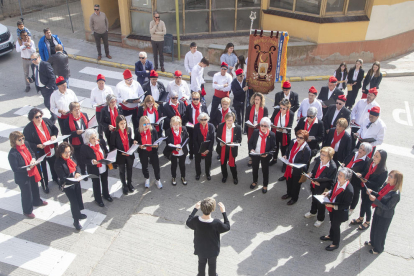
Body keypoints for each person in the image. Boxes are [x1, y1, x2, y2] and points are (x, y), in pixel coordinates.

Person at [8, 131, 47, 219]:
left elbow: (32, 153)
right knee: (27, 193)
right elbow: (15, 169)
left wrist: (33, 159)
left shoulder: (26, 144)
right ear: (14, 141)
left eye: (23, 138)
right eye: (19, 140)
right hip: (23, 176)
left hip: (32, 171)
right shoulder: (12, 154)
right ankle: (27, 211)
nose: (22, 141)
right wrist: (28, 168)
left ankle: (37, 201)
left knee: (35, 187)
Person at [186, 198, 230, 276]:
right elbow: (227, 227)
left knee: (201, 263)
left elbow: (188, 222)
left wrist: (195, 209)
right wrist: (224, 212)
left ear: (201, 208)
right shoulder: (216, 223)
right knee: (212, 265)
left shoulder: (196, 220)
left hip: (200, 248)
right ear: (212, 209)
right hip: (212, 250)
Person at [23, 108, 59, 194]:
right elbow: (26, 142)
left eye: (40, 116)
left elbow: (55, 129)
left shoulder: (46, 121)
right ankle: (44, 184)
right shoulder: (28, 129)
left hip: (51, 148)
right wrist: (36, 145)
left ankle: (55, 178)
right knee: (43, 169)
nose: (39, 118)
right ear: (32, 118)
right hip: (40, 152)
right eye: (36, 117)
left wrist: (53, 136)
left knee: (53, 164)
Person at [366, 170, 402, 254]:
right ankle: (373, 242)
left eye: (391, 176)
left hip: (385, 215)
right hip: (378, 211)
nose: (388, 177)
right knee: (374, 228)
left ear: (396, 180)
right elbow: (380, 195)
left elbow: (387, 207)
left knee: (380, 232)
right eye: (389, 175)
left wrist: (375, 201)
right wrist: (373, 192)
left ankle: (378, 248)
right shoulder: (387, 185)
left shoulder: (396, 194)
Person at [351, 150, 388, 231]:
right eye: (374, 155)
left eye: (377, 156)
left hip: (372, 190)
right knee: (363, 202)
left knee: (367, 206)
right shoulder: (371, 162)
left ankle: (367, 222)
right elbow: (366, 171)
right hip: (364, 186)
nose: (374, 157)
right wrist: (361, 175)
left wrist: (367, 182)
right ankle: (360, 218)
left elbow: (378, 184)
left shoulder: (383, 171)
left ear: (382, 159)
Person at [54, 142, 87, 230]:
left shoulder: (71, 157)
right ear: (60, 153)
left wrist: (77, 172)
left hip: (76, 182)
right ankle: (76, 221)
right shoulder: (58, 163)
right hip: (68, 185)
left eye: (69, 151)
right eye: (66, 152)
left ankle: (79, 214)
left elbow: (77, 166)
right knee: (74, 203)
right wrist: (73, 177)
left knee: (79, 198)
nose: (68, 154)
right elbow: (62, 177)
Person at [320, 167, 354, 251]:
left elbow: (346, 205)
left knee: (336, 226)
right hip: (333, 208)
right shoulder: (338, 182)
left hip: (339, 211)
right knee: (332, 222)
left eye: (341, 175)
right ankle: (331, 236)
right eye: (339, 174)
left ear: (346, 178)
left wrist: (333, 206)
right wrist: (328, 192)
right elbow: (334, 189)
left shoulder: (349, 190)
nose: (338, 176)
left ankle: (335, 243)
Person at [305, 147, 337, 227]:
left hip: (322, 188)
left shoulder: (332, 167)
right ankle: (313, 212)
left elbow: (331, 182)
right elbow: (314, 170)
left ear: (330, 157)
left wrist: (320, 184)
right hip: (314, 185)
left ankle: (320, 219)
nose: (321, 156)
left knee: (321, 204)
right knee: (313, 199)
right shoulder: (319, 160)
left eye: (324, 155)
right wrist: (311, 174)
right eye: (321, 154)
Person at [81, 129, 112, 207]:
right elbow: (83, 160)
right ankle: (98, 199)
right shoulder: (84, 147)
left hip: (103, 166)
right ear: (88, 139)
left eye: (95, 137)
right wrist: (92, 161)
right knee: (96, 184)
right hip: (93, 169)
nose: (95, 139)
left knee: (105, 181)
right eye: (92, 138)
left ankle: (106, 195)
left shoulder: (101, 142)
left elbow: (106, 151)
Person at [280, 130, 311, 204]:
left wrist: (294, 165)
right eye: (297, 137)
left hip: (297, 170)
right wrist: (285, 155)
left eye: (301, 138)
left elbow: (304, 162)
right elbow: (288, 150)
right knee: (288, 182)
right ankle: (289, 194)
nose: (298, 139)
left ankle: (294, 198)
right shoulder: (293, 141)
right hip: (289, 167)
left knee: (296, 185)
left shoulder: (306, 149)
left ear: (305, 139)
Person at [110, 115, 138, 195]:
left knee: (130, 169)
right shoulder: (114, 133)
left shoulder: (129, 130)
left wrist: (133, 141)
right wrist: (119, 152)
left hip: (129, 153)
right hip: (120, 155)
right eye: (121, 123)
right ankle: (124, 185)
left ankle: (129, 183)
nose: (123, 125)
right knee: (122, 171)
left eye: (125, 123)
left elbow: (130, 140)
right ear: (118, 124)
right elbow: (112, 146)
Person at [342, 142, 372, 216]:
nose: (360, 150)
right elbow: (347, 158)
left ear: (367, 152)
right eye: (360, 148)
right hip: (346, 176)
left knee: (355, 194)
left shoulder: (367, 161)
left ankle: (352, 208)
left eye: (363, 150)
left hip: (355, 180)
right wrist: (344, 164)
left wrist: (361, 174)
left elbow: (366, 171)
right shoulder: (354, 153)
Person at [248, 117, 276, 194]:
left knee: (265, 170)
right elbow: (250, 143)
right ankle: (255, 181)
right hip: (256, 154)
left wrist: (267, 154)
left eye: (265, 126)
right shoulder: (255, 132)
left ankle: (265, 185)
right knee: (255, 169)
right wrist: (251, 149)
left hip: (265, 156)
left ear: (268, 127)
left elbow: (274, 148)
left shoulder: (271, 135)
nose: (263, 127)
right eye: (261, 125)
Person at [29, 53, 57, 124]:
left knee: (47, 103)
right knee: (48, 103)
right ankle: (54, 115)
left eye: (35, 59)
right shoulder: (33, 66)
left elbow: (52, 77)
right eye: (32, 59)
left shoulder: (45, 65)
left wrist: (48, 86)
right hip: (41, 88)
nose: (34, 61)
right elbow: (35, 75)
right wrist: (31, 79)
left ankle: (54, 117)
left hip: (47, 88)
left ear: (39, 58)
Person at [135, 116, 162, 189]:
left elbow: (157, 141)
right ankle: (147, 178)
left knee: (156, 166)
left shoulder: (153, 130)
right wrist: (139, 145)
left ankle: (158, 179)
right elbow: (136, 141)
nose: (146, 126)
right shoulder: (138, 131)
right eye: (144, 124)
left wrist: (156, 145)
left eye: (148, 124)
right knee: (144, 166)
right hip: (143, 151)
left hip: (152, 151)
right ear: (141, 125)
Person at [63, 102, 89, 177]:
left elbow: (88, 125)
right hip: (76, 143)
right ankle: (83, 172)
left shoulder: (84, 115)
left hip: (85, 140)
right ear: (71, 111)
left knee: (87, 156)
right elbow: (66, 134)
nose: (78, 111)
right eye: (75, 110)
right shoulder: (67, 121)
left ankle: (87, 169)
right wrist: (75, 133)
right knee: (80, 159)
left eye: (78, 109)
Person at [216, 112, 242, 184]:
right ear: (225, 119)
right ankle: (224, 176)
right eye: (228, 120)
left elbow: (239, 139)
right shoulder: (221, 126)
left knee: (232, 165)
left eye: (231, 120)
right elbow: (217, 137)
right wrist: (220, 143)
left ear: (233, 120)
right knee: (223, 163)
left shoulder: (238, 127)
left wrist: (234, 143)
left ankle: (235, 177)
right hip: (223, 148)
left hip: (232, 149)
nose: (229, 122)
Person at [163, 116, 189, 185]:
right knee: (173, 166)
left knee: (182, 165)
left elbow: (186, 139)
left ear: (180, 124)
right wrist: (175, 148)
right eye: (174, 125)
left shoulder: (184, 129)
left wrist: (180, 145)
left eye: (177, 125)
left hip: (182, 151)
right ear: (171, 125)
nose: (176, 127)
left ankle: (183, 177)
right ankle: (173, 177)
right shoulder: (168, 131)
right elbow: (168, 143)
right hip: (173, 152)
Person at [270, 99, 294, 168]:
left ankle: (284, 163)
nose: (281, 110)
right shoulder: (277, 111)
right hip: (275, 132)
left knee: (284, 149)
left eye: (284, 108)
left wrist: (283, 129)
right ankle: (274, 159)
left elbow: (290, 126)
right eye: (280, 107)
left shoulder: (291, 114)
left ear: (287, 108)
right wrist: (272, 124)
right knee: (275, 147)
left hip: (284, 134)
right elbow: (271, 119)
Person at [245, 92, 268, 166]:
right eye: (255, 99)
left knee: (259, 142)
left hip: (260, 128)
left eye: (258, 99)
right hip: (251, 128)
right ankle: (251, 158)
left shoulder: (264, 109)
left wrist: (258, 124)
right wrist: (249, 124)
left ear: (261, 100)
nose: (256, 101)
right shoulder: (250, 107)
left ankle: (259, 155)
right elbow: (246, 118)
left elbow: (265, 120)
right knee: (250, 142)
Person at [90, 74, 114, 139]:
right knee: (100, 124)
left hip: (107, 109)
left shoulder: (108, 89)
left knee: (108, 123)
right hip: (99, 110)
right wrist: (97, 104)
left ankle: (109, 136)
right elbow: (92, 101)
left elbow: (112, 98)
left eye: (102, 83)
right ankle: (101, 138)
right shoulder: (94, 91)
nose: (101, 85)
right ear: (97, 83)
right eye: (99, 83)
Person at [185, 92, 208, 160]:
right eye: (194, 99)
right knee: (192, 141)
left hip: (201, 127)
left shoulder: (203, 106)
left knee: (200, 141)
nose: (195, 100)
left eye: (197, 99)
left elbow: (206, 116)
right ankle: (191, 153)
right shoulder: (189, 107)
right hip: (192, 128)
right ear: (191, 99)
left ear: (199, 99)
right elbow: (185, 118)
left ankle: (201, 153)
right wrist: (189, 124)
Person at [193, 112, 215, 181]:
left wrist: (208, 149)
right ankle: (198, 173)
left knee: (208, 161)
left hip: (208, 148)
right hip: (198, 147)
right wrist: (200, 149)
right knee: (197, 161)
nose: (203, 121)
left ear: (207, 119)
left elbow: (212, 139)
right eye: (201, 120)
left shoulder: (211, 126)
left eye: (205, 119)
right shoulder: (196, 126)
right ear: (199, 120)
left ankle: (207, 173)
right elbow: (194, 139)